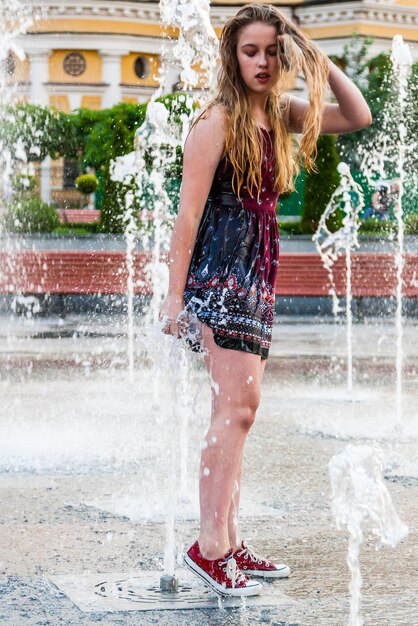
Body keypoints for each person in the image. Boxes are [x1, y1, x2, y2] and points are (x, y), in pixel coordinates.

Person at [159, 3, 372, 598]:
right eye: (249, 51)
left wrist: (312, 56)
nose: (261, 61)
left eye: (271, 52)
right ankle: (210, 547)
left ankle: (228, 537)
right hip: (222, 277)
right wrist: (173, 298)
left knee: (241, 412)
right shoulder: (218, 121)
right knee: (235, 409)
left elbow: (358, 115)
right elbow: (188, 214)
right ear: (233, 55)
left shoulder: (279, 113)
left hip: (256, 277)